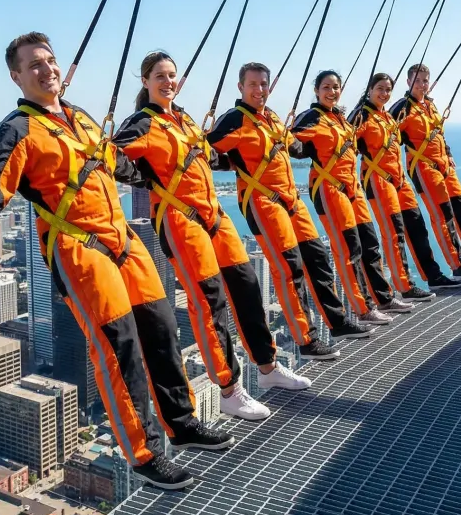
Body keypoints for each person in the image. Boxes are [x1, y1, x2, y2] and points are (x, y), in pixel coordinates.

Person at [0, 32, 230, 491]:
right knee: (119, 345)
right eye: (34, 65)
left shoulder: (80, 119)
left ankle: (182, 423)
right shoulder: (18, 130)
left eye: (50, 61)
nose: (47, 69)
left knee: (162, 326)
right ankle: (145, 453)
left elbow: (118, 164)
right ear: (17, 76)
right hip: (78, 247)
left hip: (123, 241)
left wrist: (171, 171)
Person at [114, 52, 313, 422]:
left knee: (248, 286)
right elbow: (111, 157)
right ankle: (229, 390)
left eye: (172, 75)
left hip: (213, 216)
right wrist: (146, 177)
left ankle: (268, 369)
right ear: (145, 82)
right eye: (160, 76)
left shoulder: (185, 119)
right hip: (179, 218)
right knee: (210, 303)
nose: (168, 81)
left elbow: (214, 157)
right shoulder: (142, 124)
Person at [207, 62, 374, 360]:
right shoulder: (233, 120)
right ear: (241, 87)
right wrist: (230, 162)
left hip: (290, 200)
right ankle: (306, 340)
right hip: (263, 201)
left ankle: (337, 322)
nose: (259, 90)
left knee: (317, 257)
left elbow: (295, 148)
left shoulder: (270, 118)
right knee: (289, 269)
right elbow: (204, 152)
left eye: (263, 84)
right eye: (253, 84)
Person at [291, 71, 414, 326]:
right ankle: (363, 308)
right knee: (350, 250)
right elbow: (295, 145)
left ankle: (383, 297)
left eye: (335, 87)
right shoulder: (310, 117)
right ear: (316, 90)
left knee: (370, 243)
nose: (331, 92)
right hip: (329, 187)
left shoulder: (340, 118)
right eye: (326, 87)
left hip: (352, 188)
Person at [391, 63, 461, 277]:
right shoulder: (401, 108)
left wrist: (449, 154)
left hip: (444, 164)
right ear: (408, 82)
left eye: (425, 80)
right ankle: (457, 264)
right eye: (417, 81)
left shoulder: (430, 105)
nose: (422, 85)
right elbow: (386, 136)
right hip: (424, 167)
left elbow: (438, 133)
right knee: (443, 216)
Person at [355, 72, 461, 297]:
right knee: (394, 233)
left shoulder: (387, 116)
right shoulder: (363, 115)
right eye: (380, 89)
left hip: (399, 179)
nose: (384, 94)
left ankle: (432, 275)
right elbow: (348, 140)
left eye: (387, 90)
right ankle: (404, 286)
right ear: (370, 90)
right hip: (378, 179)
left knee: (416, 227)